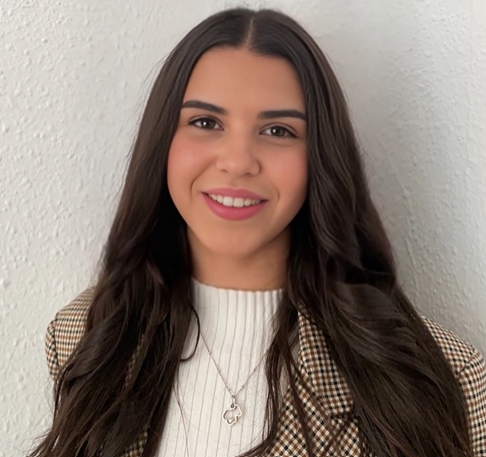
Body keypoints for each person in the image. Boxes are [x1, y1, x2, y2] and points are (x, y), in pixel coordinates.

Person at [29, 7, 485, 457]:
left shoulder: (445, 378)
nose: (238, 161)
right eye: (206, 123)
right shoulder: (86, 340)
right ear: (163, 141)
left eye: (278, 130)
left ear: (320, 158)